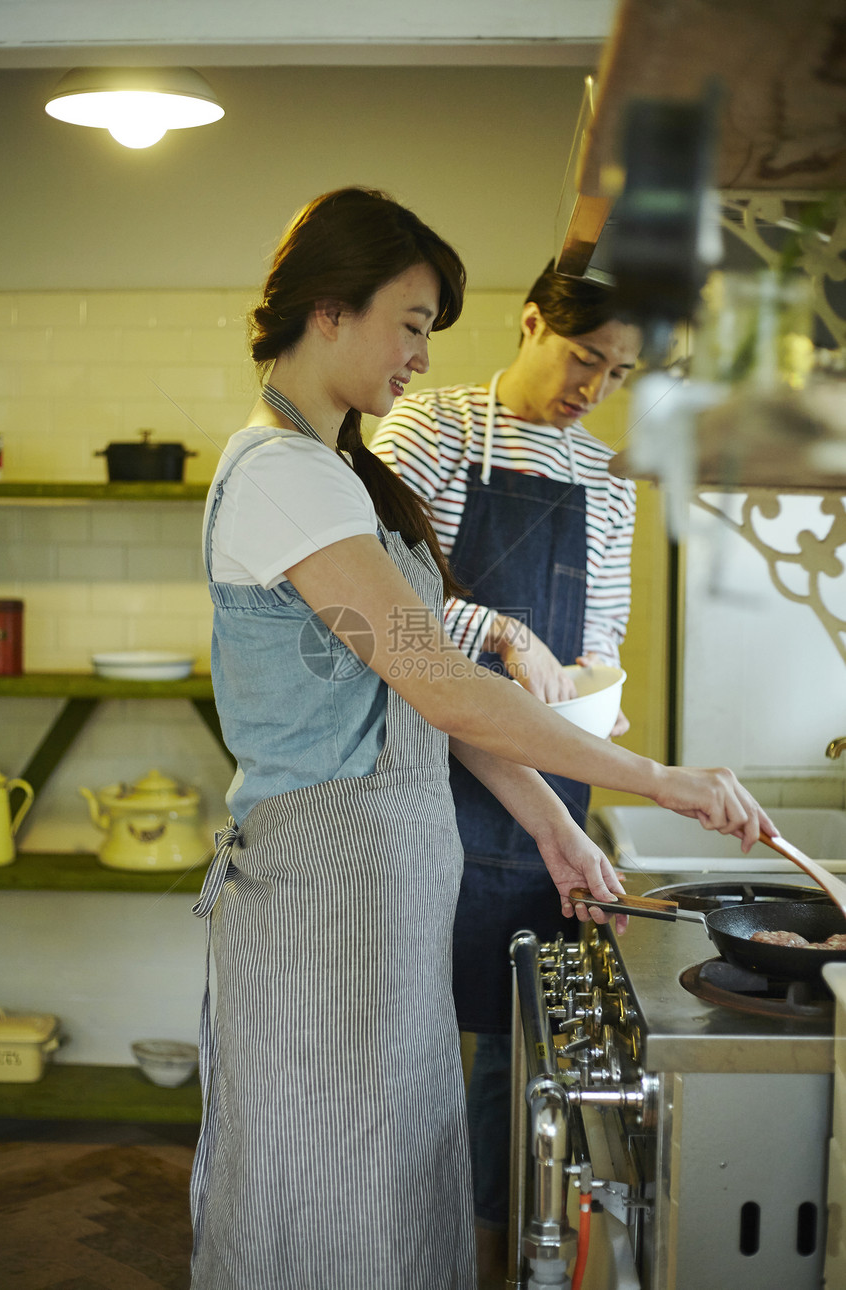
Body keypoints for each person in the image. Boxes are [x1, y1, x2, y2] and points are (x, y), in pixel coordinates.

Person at [191, 186, 773, 1290]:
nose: (418, 355)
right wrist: (655, 780)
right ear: (328, 310)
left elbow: (431, 699)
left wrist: (555, 829)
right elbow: (447, 685)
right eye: (408, 323)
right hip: (324, 901)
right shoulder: (275, 474)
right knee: (319, 1200)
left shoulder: (340, 475)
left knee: (395, 1187)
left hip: (384, 893)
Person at [371, 268, 644, 1280]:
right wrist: (501, 631)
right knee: (408, 1030)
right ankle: (395, 1246)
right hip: (422, 770)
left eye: (615, 372)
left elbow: (600, 636)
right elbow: (380, 597)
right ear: (530, 322)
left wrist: (593, 696)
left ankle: (488, 1255)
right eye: (582, 357)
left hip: (540, 780)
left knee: (510, 1041)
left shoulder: (606, 474)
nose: (593, 387)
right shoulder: (430, 427)